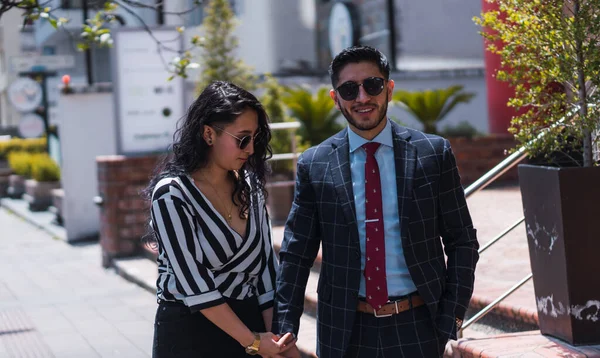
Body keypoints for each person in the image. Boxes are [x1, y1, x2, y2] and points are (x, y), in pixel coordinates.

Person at [272, 46, 480, 358]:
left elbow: (462, 241)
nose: (362, 98)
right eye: (349, 89)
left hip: (421, 325)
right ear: (335, 98)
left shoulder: (433, 154)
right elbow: (296, 253)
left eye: (372, 85)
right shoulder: (315, 164)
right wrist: (285, 324)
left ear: (389, 89)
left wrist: (451, 319)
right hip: (345, 331)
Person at [145, 81, 295, 357]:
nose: (251, 148)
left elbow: (265, 271)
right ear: (209, 134)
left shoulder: (251, 186)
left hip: (249, 328)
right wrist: (253, 341)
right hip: (189, 332)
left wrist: (280, 344)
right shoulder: (171, 195)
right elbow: (194, 285)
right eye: (243, 138)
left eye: (256, 138)